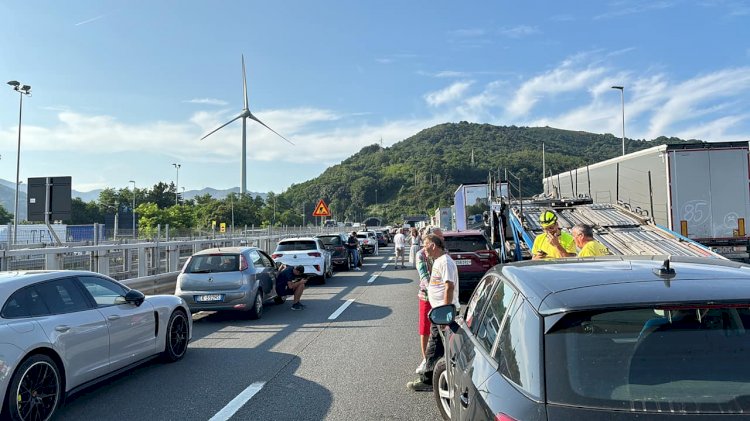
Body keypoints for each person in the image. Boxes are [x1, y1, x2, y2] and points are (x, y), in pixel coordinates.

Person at [408, 232, 459, 392]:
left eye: (425, 245)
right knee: (436, 346)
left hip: (444, 313)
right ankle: (431, 378)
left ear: (433, 246)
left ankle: (435, 379)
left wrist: (445, 313)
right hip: (439, 312)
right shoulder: (439, 261)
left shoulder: (445, 262)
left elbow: (449, 286)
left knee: (444, 347)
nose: (424, 249)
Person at [412, 226, 443, 376]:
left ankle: (440, 359)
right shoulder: (421, 255)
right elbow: (425, 277)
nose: (442, 239)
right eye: (439, 236)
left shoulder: (443, 253)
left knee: (442, 328)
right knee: (425, 329)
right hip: (426, 296)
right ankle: (426, 361)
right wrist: (436, 291)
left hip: (441, 297)